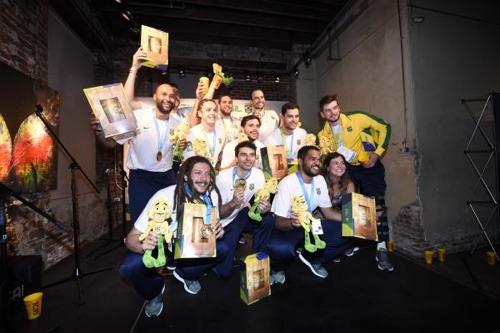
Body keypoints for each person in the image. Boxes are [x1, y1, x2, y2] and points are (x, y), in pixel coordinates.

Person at [119, 156, 227, 317]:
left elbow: (210, 228)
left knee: (222, 248)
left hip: (188, 247)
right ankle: (154, 291)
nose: (204, 178)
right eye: (198, 173)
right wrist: (143, 245)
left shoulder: (212, 196)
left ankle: (186, 274)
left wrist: (217, 232)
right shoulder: (164, 196)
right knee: (130, 267)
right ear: (185, 176)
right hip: (160, 245)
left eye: (207, 174)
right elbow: (131, 238)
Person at [108, 47, 185, 224]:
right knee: (141, 222)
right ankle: (140, 252)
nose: (168, 98)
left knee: (167, 221)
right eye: (164, 94)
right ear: (154, 96)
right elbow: (124, 106)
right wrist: (134, 68)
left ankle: (163, 251)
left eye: (172, 95)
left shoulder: (178, 123)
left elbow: (178, 150)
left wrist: (181, 147)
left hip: (166, 176)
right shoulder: (139, 116)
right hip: (141, 178)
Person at [318, 94, 393, 272]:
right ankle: (346, 244)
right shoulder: (322, 135)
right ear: (322, 114)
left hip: (368, 167)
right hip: (346, 171)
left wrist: (376, 155)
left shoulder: (357, 118)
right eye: (328, 110)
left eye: (335, 107)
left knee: (376, 205)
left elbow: (385, 127)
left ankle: (382, 248)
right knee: (347, 207)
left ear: (339, 107)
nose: (333, 112)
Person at [267, 145, 352, 279]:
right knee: (281, 249)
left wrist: (352, 219)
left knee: (348, 232)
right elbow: (278, 222)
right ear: (300, 161)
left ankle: (311, 258)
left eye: (319, 159)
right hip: (289, 226)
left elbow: (328, 212)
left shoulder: (319, 180)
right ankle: (276, 268)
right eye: (312, 159)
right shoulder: (287, 183)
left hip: (310, 225)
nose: (317, 163)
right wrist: (292, 223)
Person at [216, 141, 278, 281]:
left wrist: (265, 208)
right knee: (224, 273)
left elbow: (259, 200)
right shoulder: (222, 178)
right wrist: (233, 203)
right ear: (236, 158)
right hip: (223, 221)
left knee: (267, 220)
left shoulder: (258, 174)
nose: (248, 158)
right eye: (243, 155)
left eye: (251, 155)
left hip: (240, 215)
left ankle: (258, 263)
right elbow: (218, 212)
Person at [323, 152, 359, 261]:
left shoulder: (348, 184)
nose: (340, 166)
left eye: (342, 163)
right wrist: (352, 221)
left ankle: (337, 249)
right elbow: (327, 213)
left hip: (340, 216)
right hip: (320, 218)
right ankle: (321, 257)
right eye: (336, 163)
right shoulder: (320, 182)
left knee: (355, 231)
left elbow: (351, 207)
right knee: (346, 230)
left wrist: (366, 217)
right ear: (327, 167)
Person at [184, 99, 226, 168]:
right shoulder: (192, 133)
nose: (212, 113)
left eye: (215, 110)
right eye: (208, 110)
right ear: (200, 113)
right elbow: (188, 159)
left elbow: (220, 155)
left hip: (213, 173)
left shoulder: (221, 132)